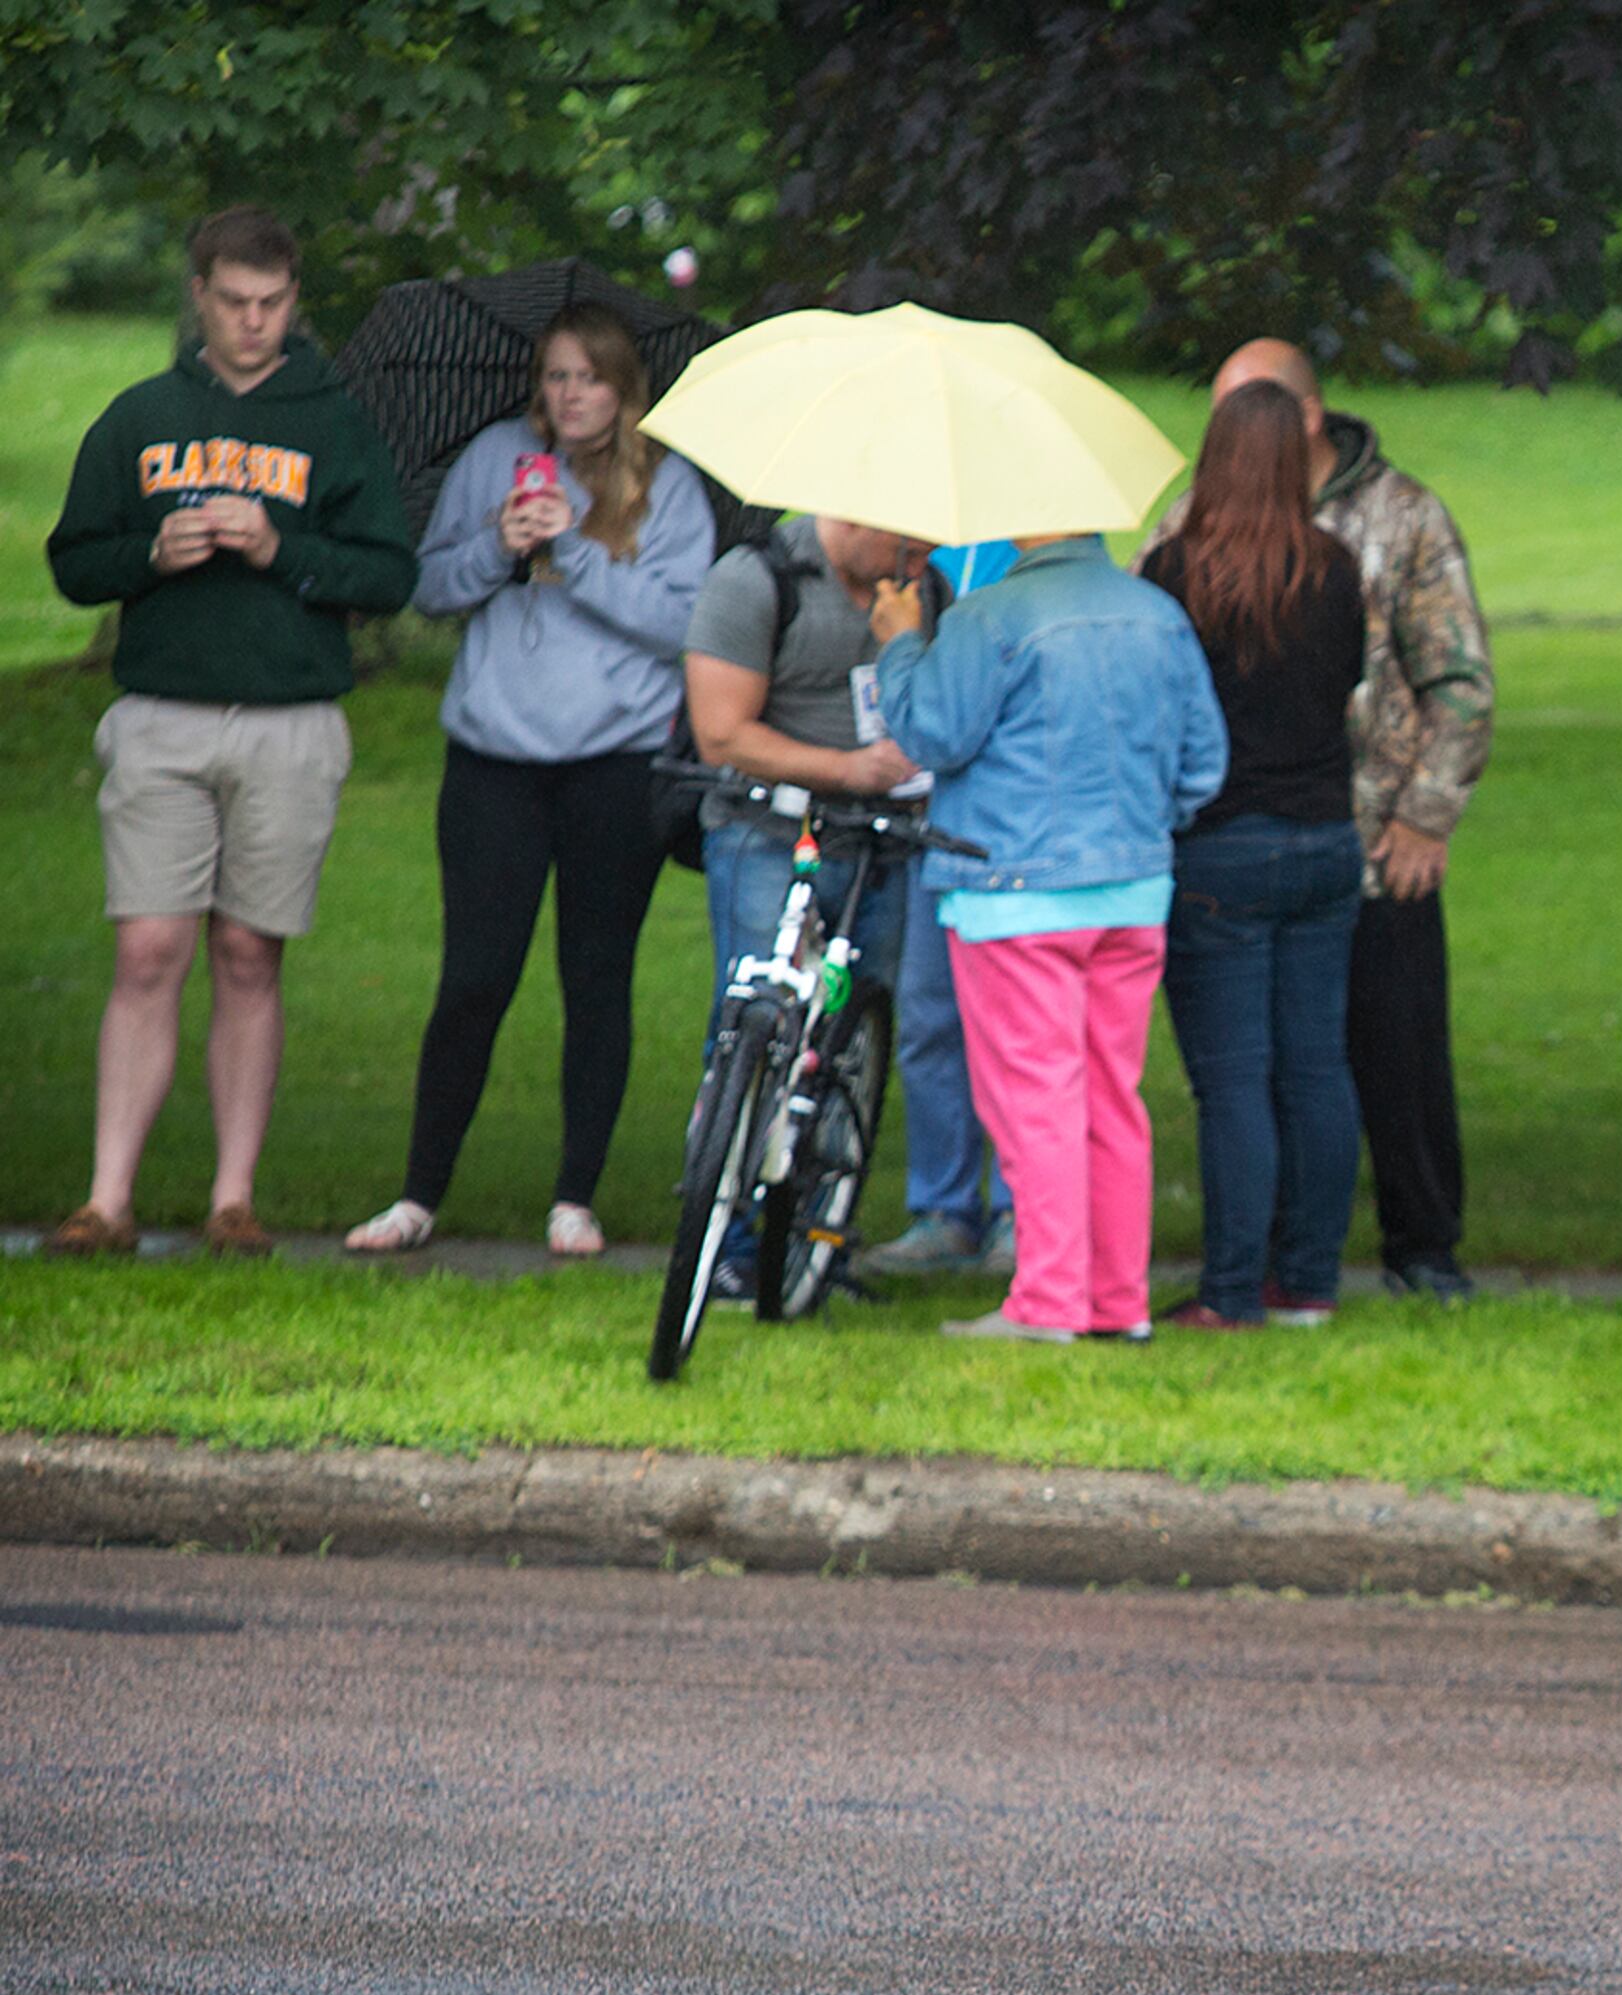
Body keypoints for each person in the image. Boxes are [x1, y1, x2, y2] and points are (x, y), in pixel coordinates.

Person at [39, 205, 417, 1259]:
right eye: (235, 302)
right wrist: (150, 554)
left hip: (291, 720)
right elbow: (75, 562)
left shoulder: (335, 422)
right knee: (149, 947)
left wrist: (280, 547)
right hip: (161, 715)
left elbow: (390, 575)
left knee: (250, 951)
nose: (255, 322)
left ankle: (231, 1198)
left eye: (274, 303)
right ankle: (107, 1198)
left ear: (295, 301)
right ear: (199, 297)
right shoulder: (141, 415)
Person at [346, 304, 710, 1257]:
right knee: (474, 977)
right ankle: (419, 1194)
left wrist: (575, 551)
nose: (569, 394)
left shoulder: (668, 483)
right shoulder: (493, 459)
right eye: (554, 377)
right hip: (494, 762)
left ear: (623, 387)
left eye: (588, 377)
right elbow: (427, 589)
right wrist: (498, 547)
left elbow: (687, 623)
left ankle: (574, 1198)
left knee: (596, 978)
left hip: (617, 763)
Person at [1148, 339, 1494, 1299]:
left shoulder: (1400, 518)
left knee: (1392, 1056)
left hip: (1372, 840)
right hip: (1295, 834)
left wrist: (1426, 816)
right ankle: (1287, 1267)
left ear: (1299, 415)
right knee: (1292, 1068)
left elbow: (1459, 681)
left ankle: (1421, 1249)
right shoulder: (1197, 524)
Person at [874, 528, 1226, 1343]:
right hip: (1132, 890)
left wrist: (899, 646)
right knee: (1110, 1098)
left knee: (1037, 1100)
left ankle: (1049, 1300)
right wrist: (1138, 828)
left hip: (1016, 896)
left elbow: (931, 734)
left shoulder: (991, 615)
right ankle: (1115, 1299)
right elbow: (1204, 765)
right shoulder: (1159, 614)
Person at [679, 511, 979, 1280]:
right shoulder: (756, 580)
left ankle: (812, 1233)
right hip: (770, 833)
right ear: (850, 511)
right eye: (906, 538)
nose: (920, 555)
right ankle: (728, 1233)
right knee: (759, 1017)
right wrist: (846, 771)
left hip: (879, 841)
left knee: (848, 1036)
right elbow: (720, 733)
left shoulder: (924, 588)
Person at [1141, 384, 1370, 1329]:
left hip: (1221, 849)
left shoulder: (1173, 571)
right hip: (1326, 840)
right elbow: (1348, 679)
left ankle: (1233, 1291)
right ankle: (1307, 1282)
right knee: (1316, 1066)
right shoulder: (1337, 567)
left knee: (1233, 1078)